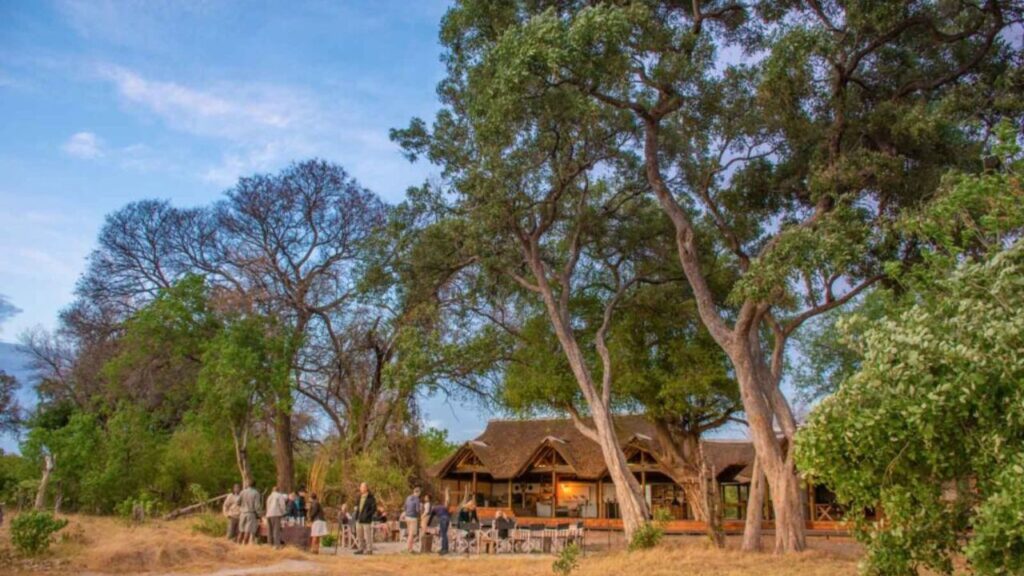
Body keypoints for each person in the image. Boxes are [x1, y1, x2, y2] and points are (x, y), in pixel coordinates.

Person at [353, 482, 377, 555]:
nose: (361, 488)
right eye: (360, 487)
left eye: (363, 487)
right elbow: (356, 506)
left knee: (367, 535)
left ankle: (369, 550)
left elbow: (374, 509)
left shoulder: (371, 498)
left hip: (366, 519)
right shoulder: (359, 497)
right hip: (358, 519)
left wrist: (367, 515)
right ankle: (360, 549)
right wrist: (356, 510)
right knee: (359, 535)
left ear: (366, 488)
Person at [403, 487, 422, 552]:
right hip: (413, 517)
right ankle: (409, 548)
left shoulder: (408, 497)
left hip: (407, 517)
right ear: (418, 492)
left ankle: (409, 547)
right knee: (411, 534)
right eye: (419, 493)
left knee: (409, 532)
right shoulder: (417, 499)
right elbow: (417, 510)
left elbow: (405, 507)